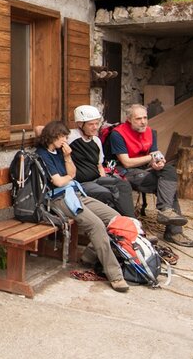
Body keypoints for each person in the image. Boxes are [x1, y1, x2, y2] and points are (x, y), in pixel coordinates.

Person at [35, 120, 129, 293]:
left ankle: (88, 256)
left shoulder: (57, 151)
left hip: (73, 193)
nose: (65, 140)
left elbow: (72, 173)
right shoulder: (42, 154)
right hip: (58, 199)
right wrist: (68, 178)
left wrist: (68, 157)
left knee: (115, 218)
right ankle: (115, 275)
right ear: (53, 136)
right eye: (63, 137)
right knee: (96, 225)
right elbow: (57, 181)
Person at [108, 104, 193, 248]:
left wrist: (158, 162)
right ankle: (173, 230)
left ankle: (165, 210)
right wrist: (150, 158)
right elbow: (126, 162)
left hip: (145, 169)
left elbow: (154, 155)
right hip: (125, 173)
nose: (143, 122)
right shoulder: (118, 134)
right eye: (138, 119)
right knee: (167, 187)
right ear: (129, 119)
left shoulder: (150, 132)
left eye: (145, 118)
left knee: (168, 173)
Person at [67, 105, 135, 217]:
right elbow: (41, 130)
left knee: (123, 185)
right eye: (90, 124)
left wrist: (105, 181)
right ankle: (121, 225)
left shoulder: (96, 140)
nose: (95, 127)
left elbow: (99, 166)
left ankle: (131, 221)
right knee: (106, 194)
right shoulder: (70, 136)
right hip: (81, 183)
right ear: (80, 124)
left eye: (97, 123)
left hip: (97, 179)